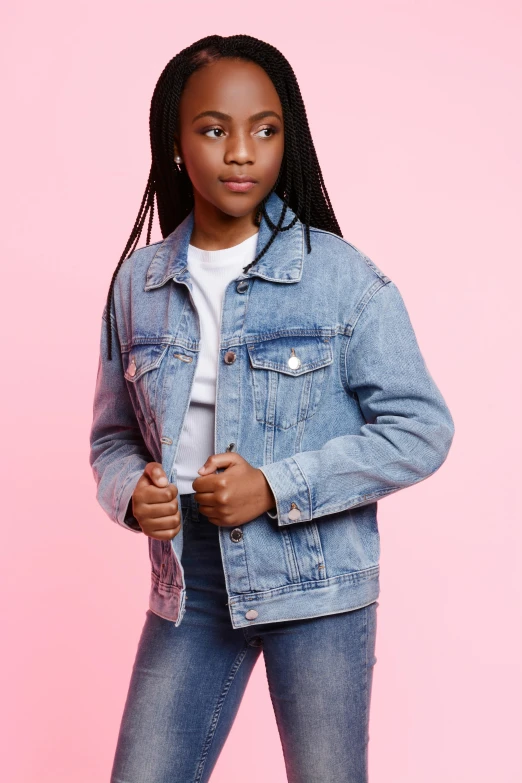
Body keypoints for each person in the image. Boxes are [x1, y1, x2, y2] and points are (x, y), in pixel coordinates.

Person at [89, 34, 455, 783]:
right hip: (188, 583)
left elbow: (423, 428)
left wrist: (277, 484)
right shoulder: (137, 285)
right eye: (214, 129)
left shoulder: (342, 279)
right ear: (176, 140)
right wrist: (130, 493)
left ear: (287, 139)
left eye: (265, 129)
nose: (241, 152)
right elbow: (112, 439)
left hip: (316, 578)